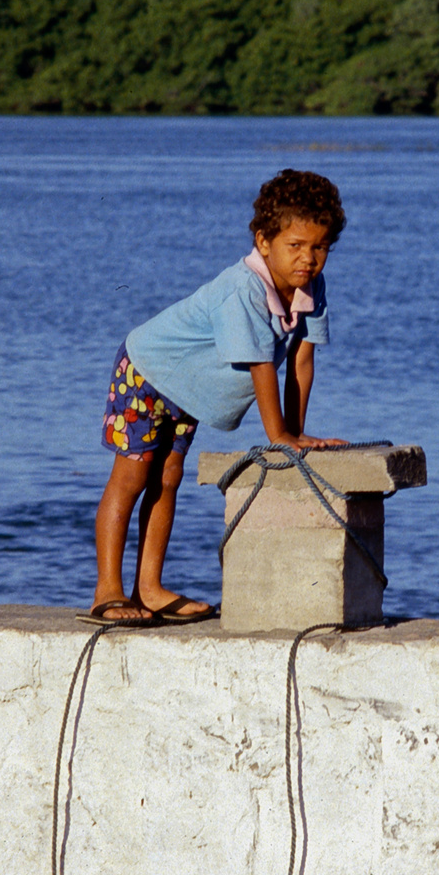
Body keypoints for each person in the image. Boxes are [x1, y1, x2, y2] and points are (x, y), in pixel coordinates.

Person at [82, 169, 348, 625]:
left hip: (186, 389)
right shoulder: (243, 289)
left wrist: (296, 431)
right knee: (133, 474)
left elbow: (301, 362)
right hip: (148, 370)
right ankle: (107, 590)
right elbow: (260, 364)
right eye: (295, 246)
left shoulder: (311, 290)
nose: (308, 259)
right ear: (264, 242)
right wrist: (279, 434)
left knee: (168, 477)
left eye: (319, 247)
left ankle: (149, 588)